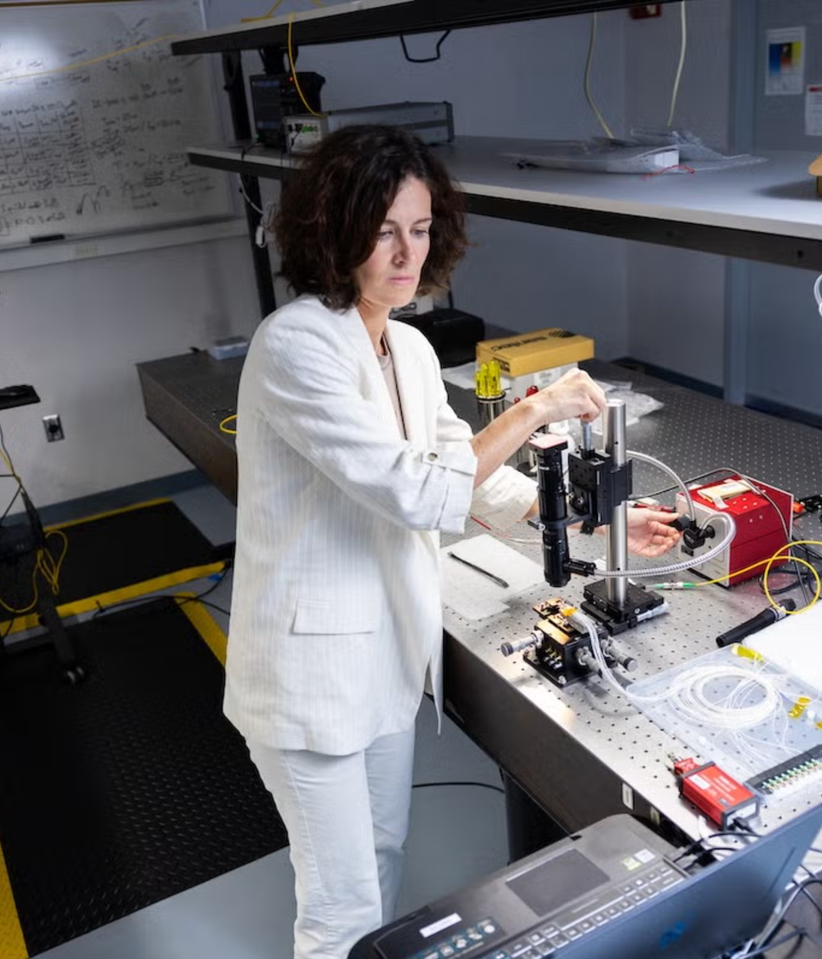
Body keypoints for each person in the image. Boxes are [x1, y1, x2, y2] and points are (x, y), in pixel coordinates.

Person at [225, 124, 681, 959]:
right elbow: (418, 489)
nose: (406, 252)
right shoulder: (294, 345)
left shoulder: (405, 344)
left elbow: (468, 476)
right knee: (340, 908)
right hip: (308, 680)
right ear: (333, 229)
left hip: (385, 659)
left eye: (422, 228)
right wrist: (531, 410)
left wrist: (592, 526)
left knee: (384, 860)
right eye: (384, 227)